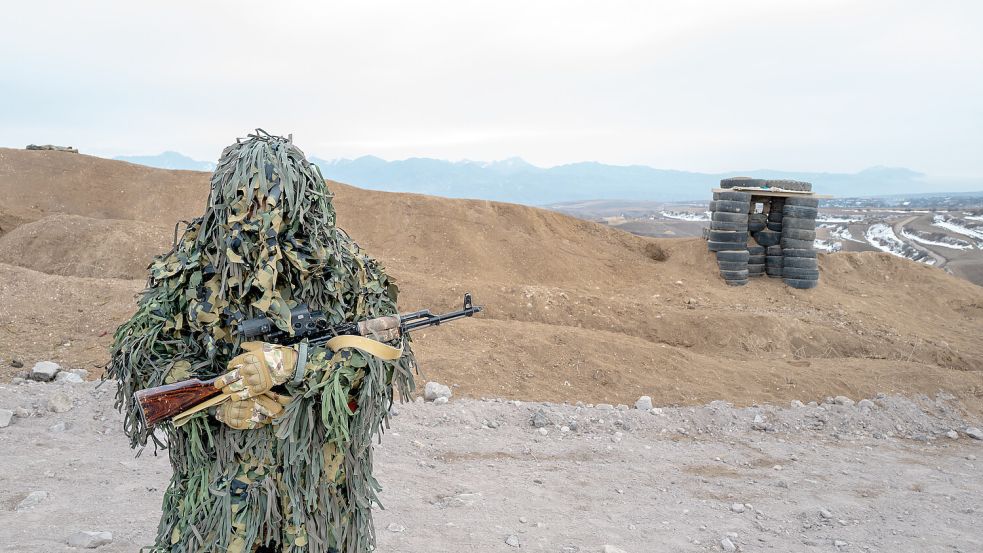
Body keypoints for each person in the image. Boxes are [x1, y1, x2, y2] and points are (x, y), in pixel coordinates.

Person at [107, 130, 415, 553]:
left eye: (273, 199)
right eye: (245, 199)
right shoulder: (190, 268)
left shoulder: (345, 270)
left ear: (300, 199)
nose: (259, 213)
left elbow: (384, 358)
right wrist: (217, 401)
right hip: (220, 494)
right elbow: (140, 353)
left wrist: (298, 364)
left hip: (317, 492)